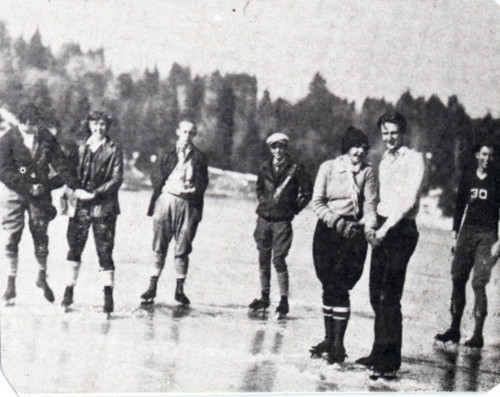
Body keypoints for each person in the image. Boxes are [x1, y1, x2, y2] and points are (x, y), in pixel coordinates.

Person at [356, 111, 425, 379]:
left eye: (394, 132)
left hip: (402, 230)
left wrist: (385, 229)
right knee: (375, 294)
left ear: (403, 133)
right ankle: (378, 351)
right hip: (383, 228)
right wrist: (371, 224)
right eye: (385, 132)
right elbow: (380, 200)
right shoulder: (384, 161)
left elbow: (409, 200)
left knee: (389, 296)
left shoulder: (414, 159)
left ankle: (390, 359)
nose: (389, 137)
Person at [0, 103, 80, 304]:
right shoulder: (8, 139)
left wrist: (72, 184)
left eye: (34, 124)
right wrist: (28, 188)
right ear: (19, 122)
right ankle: (10, 283)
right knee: (12, 237)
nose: (31, 128)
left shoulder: (45, 137)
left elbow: (60, 163)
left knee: (40, 235)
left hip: (40, 194)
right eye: (27, 124)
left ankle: (41, 276)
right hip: (14, 193)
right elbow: (3, 170)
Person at [309, 127, 377, 363]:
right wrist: (337, 223)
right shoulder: (328, 168)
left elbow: (370, 204)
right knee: (328, 283)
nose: (359, 152)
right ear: (347, 147)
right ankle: (328, 338)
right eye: (355, 146)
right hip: (328, 231)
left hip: (353, 234)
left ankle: (338, 343)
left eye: (364, 148)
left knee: (341, 285)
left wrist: (365, 225)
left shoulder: (368, 172)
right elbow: (317, 202)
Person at [435, 143, 500, 348]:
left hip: (488, 235)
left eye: (490, 155)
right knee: (458, 278)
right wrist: (455, 235)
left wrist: (499, 241)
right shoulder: (468, 175)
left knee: (479, 282)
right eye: (483, 154)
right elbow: (459, 206)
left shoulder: (498, 178)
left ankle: (477, 335)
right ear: (476, 155)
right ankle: (454, 329)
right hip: (467, 232)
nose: (486, 159)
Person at [140, 120, 209, 306]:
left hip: (188, 204)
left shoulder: (199, 157)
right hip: (167, 200)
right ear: (178, 132)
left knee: (183, 246)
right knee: (159, 244)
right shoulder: (166, 153)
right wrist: (164, 191)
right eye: (184, 131)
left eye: (191, 133)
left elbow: (203, 183)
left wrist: (193, 191)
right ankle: (152, 286)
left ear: (194, 135)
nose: (187, 136)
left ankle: (179, 290)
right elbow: (155, 176)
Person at [62, 111, 123, 313]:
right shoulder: (80, 147)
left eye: (103, 124)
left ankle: (108, 296)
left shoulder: (114, 149)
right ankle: (68, 291)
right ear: (89, 125)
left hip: (104, 207)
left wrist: (95, 193)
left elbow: (116, 179)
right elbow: (68, 172)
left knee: (105, 251)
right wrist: (74, 190)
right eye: (95, 124)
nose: (99, 128)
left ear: (108, 127)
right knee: (74, 248)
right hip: (80, 205)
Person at [248, 132, 312, 318]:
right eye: (274, 147)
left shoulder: (296, 169)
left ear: (286, 148)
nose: (278, 150)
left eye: (281, 147)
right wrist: (264, 203)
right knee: (263, 257)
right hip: (263, 219)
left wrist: (293, 209)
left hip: (282, 221)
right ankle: (264, 297)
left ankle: (283, 301)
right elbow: (259, 187)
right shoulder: (264, 167)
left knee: (279, 259)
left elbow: (306, 192)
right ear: (270, 149)